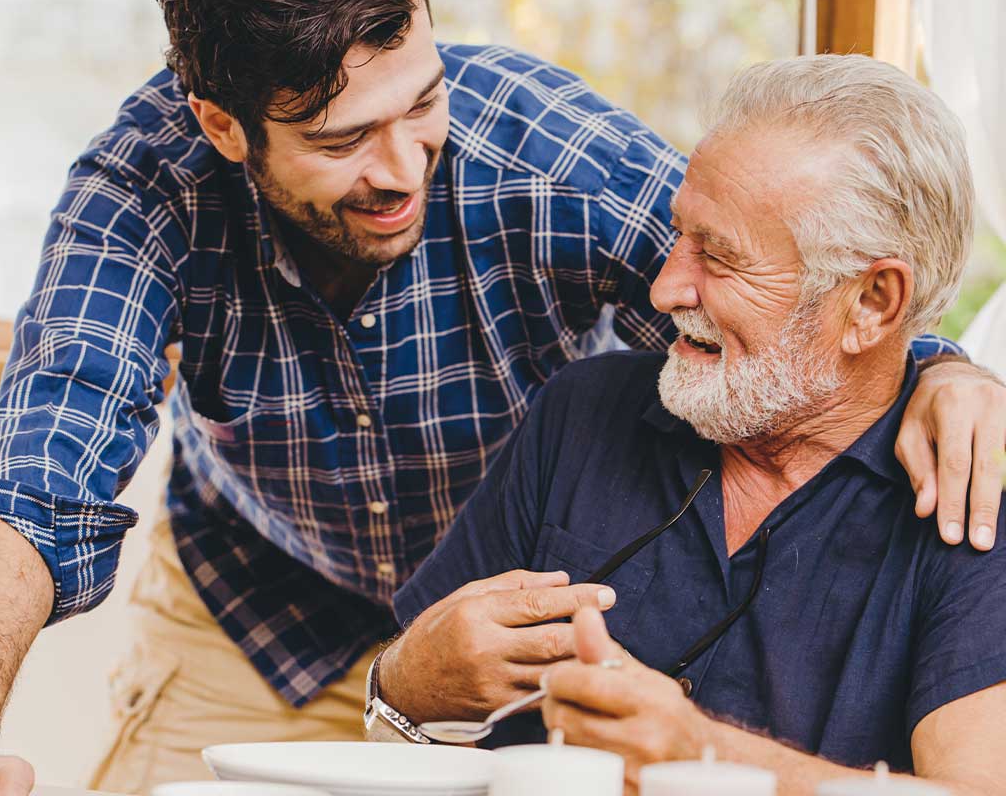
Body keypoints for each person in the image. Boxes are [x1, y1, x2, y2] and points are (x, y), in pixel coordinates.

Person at [0, 0, 1006, 796]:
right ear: (225, 128)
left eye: (421, 102)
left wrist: (939, 364)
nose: (402, 168)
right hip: (259, 607)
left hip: (511, 609)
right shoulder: (145, 192)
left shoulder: (536, 146)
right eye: (341, 143)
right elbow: (41, 471)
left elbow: (782, 290)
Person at [381, 55, 1006, 794]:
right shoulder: (583, 409)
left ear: (872, 301)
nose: (666, 286)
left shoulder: (972, 496)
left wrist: (700, 756)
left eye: (720, 257)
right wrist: (399, 683)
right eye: (680, 236)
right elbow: (409, 716)